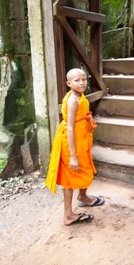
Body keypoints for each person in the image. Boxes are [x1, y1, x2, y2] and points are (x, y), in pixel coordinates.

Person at [45, 68, 105, 225]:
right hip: (72, 141)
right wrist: (72, 155)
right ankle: (68, 215)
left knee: (85, 167)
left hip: (81, 138)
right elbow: (70, 127)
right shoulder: (73, 100)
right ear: (68, 83)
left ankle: (83, 197)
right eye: (77, 80)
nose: (81, 83)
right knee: (70, 177)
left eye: (83, 79)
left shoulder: (79, 95)